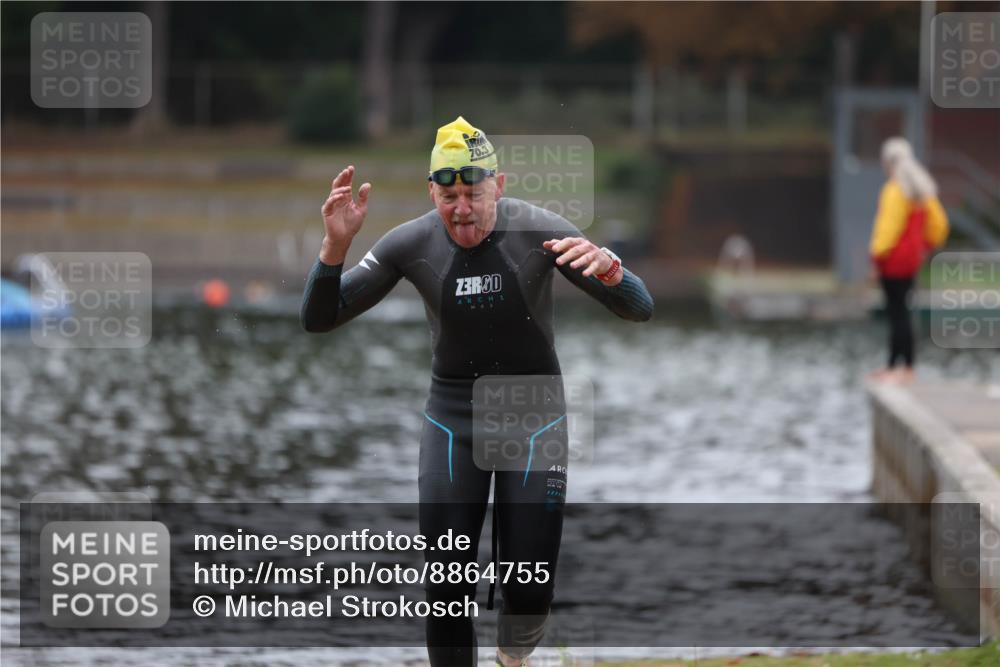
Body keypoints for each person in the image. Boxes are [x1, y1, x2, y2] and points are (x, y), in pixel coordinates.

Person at [300, 116, 653, 666]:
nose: (462, 209)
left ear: (500, 186)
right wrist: (334, 246)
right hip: (451, 420)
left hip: (533, 417)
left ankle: (512, 660)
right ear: (431, 192)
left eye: (474, 194)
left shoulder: (541, 233)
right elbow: (320, 319)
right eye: (449, 196)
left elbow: (640, 308)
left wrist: (613, 273)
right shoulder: (409, 243)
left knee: (529, 587)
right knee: (446, 593)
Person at [868, 137, 949, 384]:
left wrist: (876, 259)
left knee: (897, 314)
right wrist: (924, 246)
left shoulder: (895, 189)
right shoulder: (922, 189)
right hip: (912, 261)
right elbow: (939, 226)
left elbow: (887, 231)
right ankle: (908, 368)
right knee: (904, 311)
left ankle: (894, 366)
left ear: (887, 162)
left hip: (892, 263)